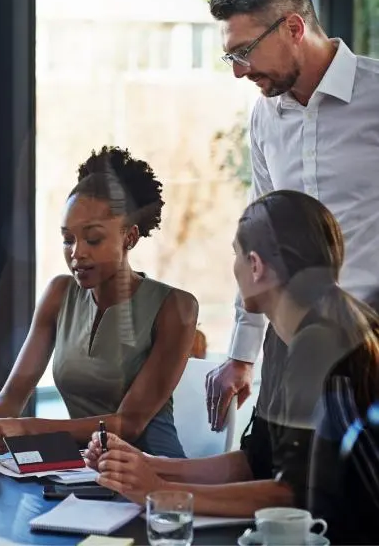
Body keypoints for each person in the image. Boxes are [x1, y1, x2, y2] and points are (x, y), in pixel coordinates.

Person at [88, 190, 379, 543]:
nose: (235, 268)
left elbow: (293, 495)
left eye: (237, 256)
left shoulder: (318, 345)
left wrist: (160, 491)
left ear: (255, 266)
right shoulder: (280, 338)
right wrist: (146, 464)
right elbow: (256, 461)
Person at [203, 0, 379, 431]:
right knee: (270, 479)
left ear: (294, 28)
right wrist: (241, 354)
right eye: (231, 57)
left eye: (244, 52)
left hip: (370, 341)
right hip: (289, 343)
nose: (239, 71)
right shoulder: (264, 118)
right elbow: (258, 235)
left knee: (354, 493)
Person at [0, 146, 198, 457]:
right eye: (68, 239)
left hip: (151, 474)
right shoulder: (59, 294)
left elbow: (128, 424)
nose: (77, 253)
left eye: (93, 239)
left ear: (129, 238)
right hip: (82, 469)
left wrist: (25, 428)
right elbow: (11, 395)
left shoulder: (176, 307)